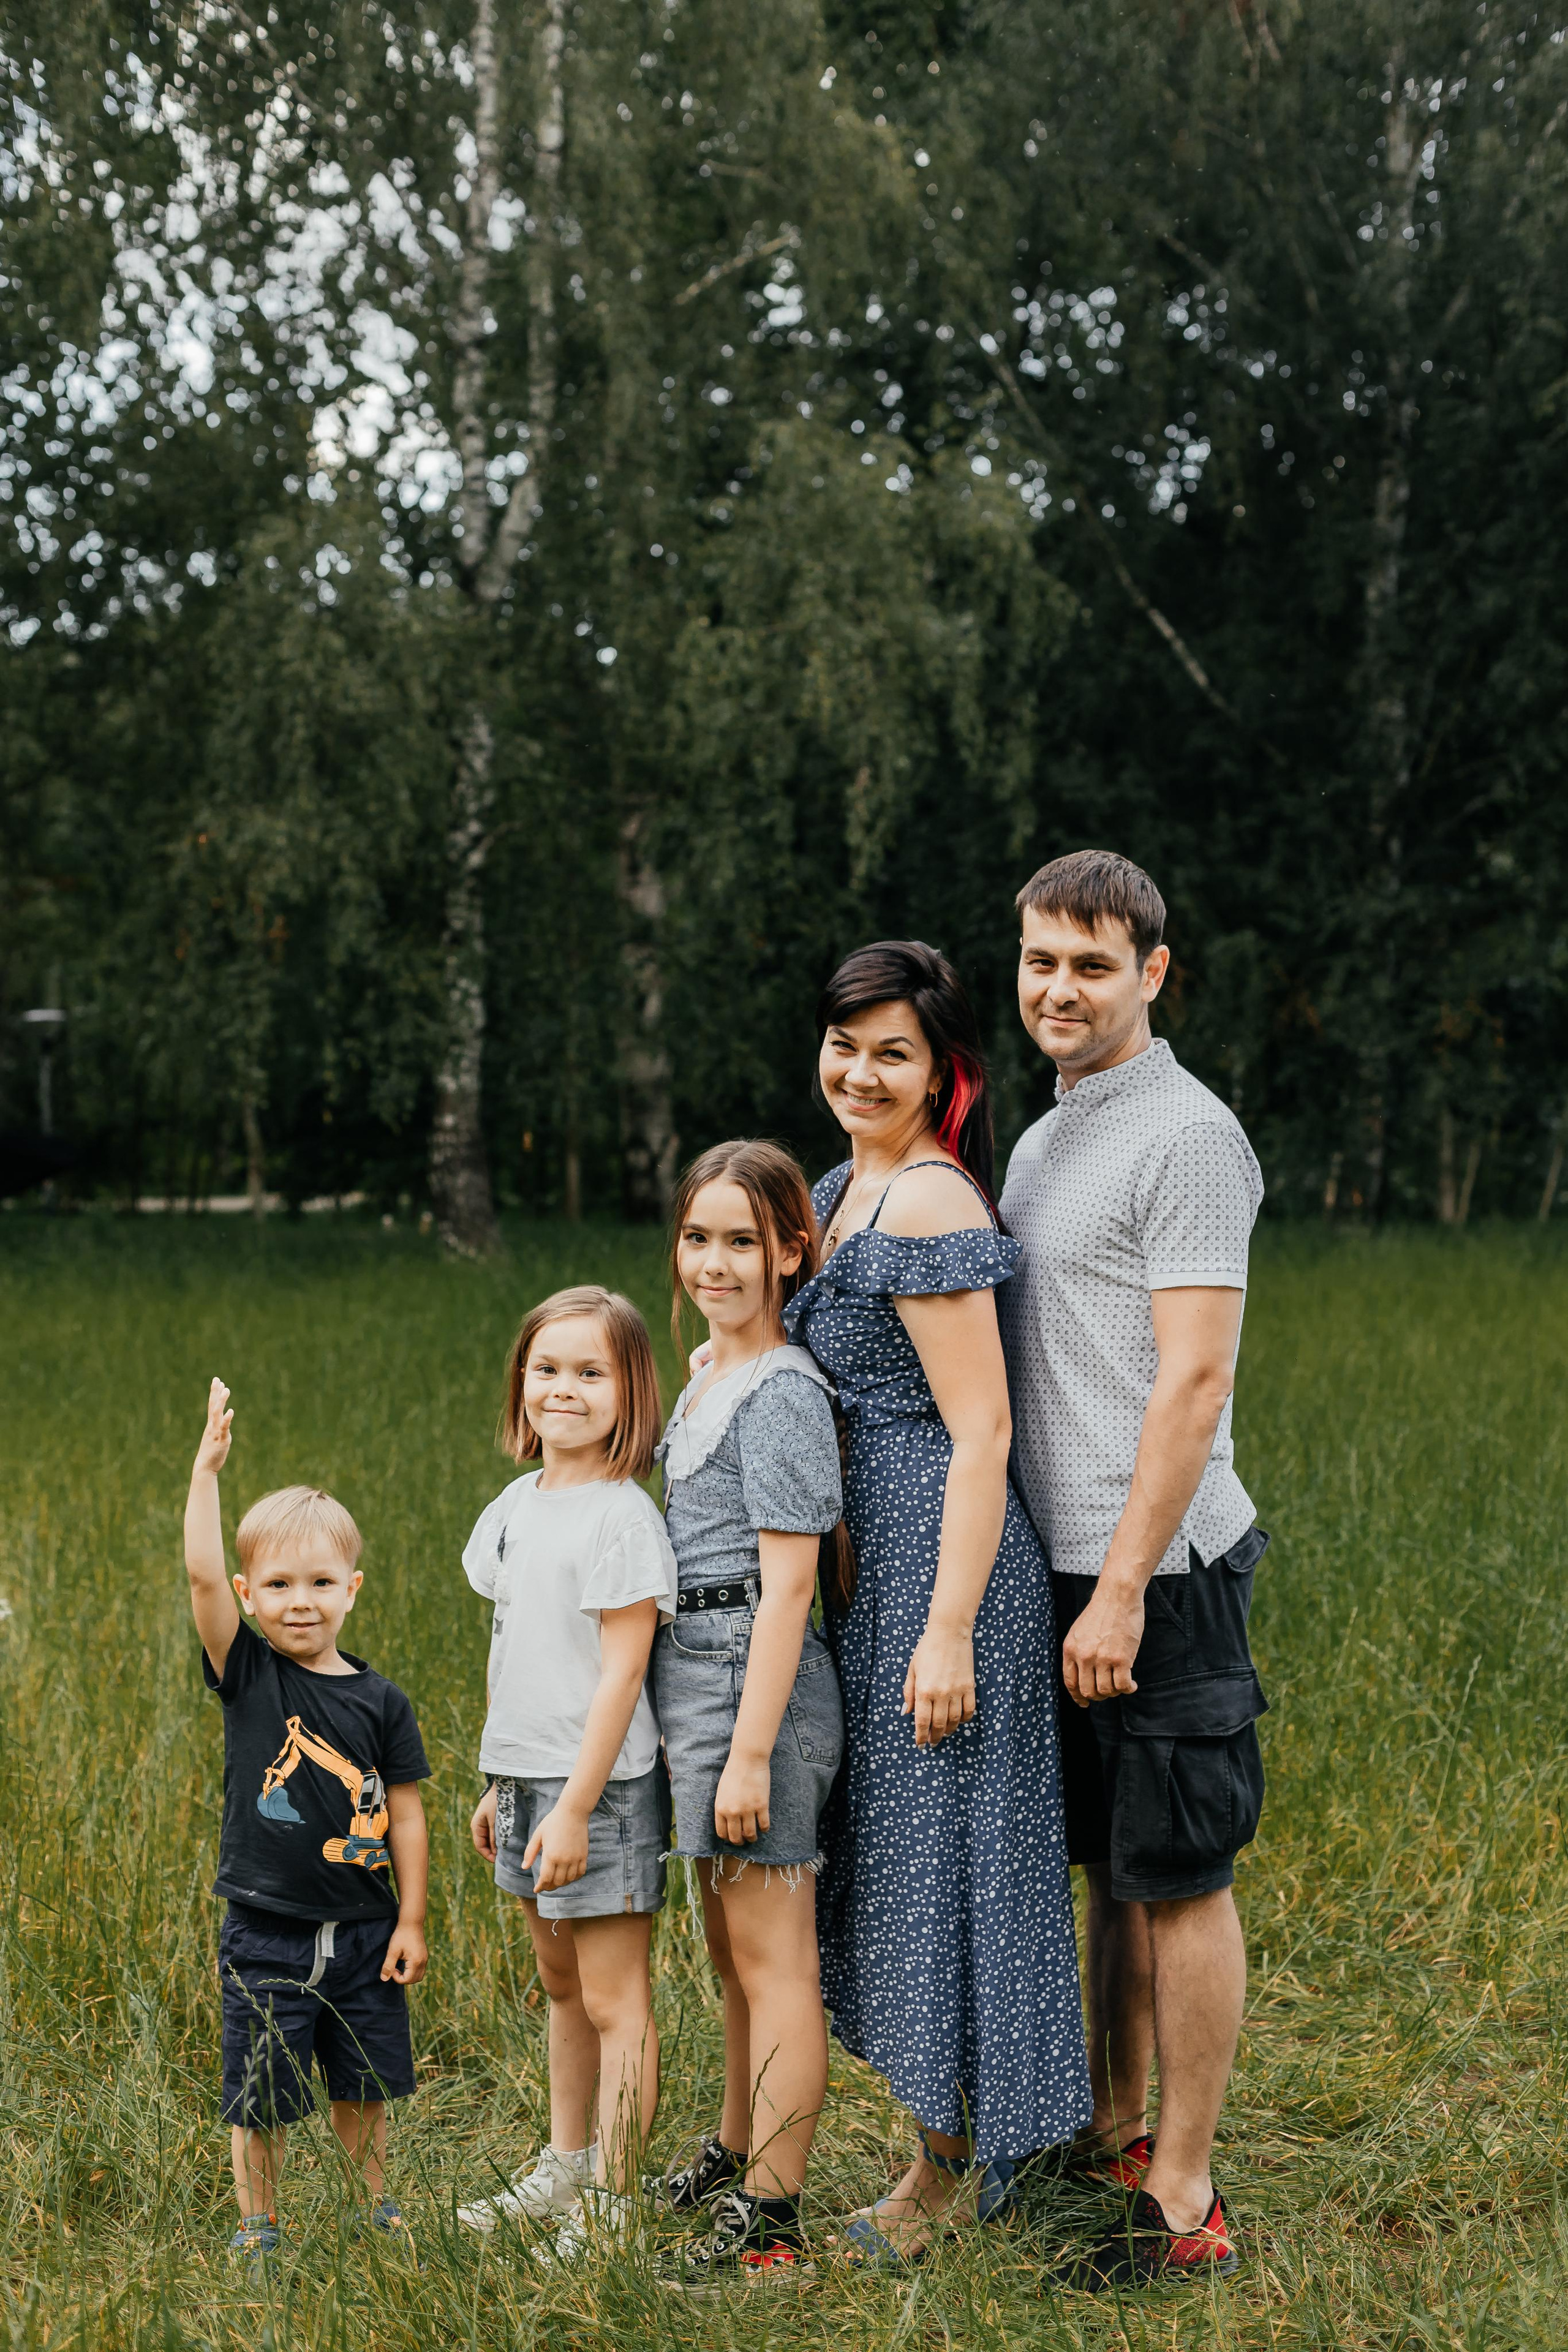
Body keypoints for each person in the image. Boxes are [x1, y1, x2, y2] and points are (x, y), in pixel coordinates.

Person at [782, 940, 1091, 2267]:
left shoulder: (929, 1207)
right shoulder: (848, 1186)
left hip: (943, 1577)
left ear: (942, 1069)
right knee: (899, 1870)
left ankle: (953, 2172)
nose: (859, 1070)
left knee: (957, 1873)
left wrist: (949, 1626)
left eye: (889, 1051)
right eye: (843, 1044)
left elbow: (980, 1432)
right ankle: (951, 2140)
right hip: (875, 1578)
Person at [997, 848, 1267, 2290]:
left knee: (1178, 1873)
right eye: (1041, 959)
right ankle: (1106, 2127)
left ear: (1151, 975)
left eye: (1091, 964)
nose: (1060, 987)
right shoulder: (1046, 1138)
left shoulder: (1187, 1136)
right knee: (1108, 1868)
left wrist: (1117, 1586)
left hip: (1154, 1570)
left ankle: (1182, 2193)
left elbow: (1193, 1381)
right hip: (1058, 1561)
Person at [649, 1139, 845, 2281]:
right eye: (697, 1238)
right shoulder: (710, 1374)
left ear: (789, 1251)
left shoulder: (781, 1392)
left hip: (751, 1686)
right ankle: (734, 2150)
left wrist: (751, 1753)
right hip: (698, 1677)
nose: (715, 1263)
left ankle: (773, 2215)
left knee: (776, 1962)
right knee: (729, 1949)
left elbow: (789, 1586)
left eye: (741, 1242)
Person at [184, 1379, 431, 2277]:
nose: (301, 1602)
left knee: (364, 2085)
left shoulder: (381, 1701)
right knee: (261, 2092)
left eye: (321, 1583)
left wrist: (410, 1918)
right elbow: (202, 1573)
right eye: (279, 1585)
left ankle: (373, 2207)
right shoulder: (249, 1676)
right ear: (249, 1596)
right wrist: (207, 1474)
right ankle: (260, 2223)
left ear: (353, 1588)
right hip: (268, 1929)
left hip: (365, 1931)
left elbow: (404, 1810)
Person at [457, 1285, 677, 2261]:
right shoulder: (513, 1508)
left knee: (614, 1996)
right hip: (528, 1783)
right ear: (521, 1385)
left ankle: (616, 2204)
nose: (565, 1390)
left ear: (629, 1392)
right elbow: (524, 1657)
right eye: (547, 1369)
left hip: (603, 1792)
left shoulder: (622, 1520)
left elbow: (624, 1673)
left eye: (591, 1373)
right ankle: (567, 2161)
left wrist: (578, 1806)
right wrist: (502, 1785)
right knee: (559, 1986)